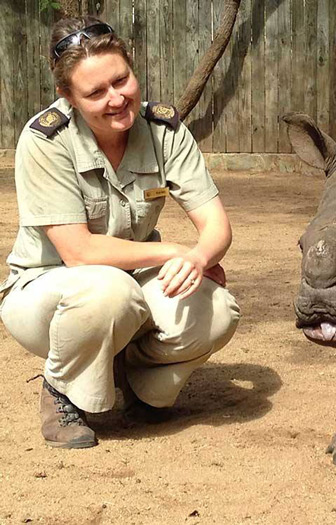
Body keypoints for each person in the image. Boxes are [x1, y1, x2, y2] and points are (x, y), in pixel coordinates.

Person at [0, 16, 241, 449]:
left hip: (133, 280)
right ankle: (61, 390)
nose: (117, 99)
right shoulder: (45, 140)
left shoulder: (165, 129)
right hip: (46, 291)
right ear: (68, 98)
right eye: (95, 92)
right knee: (107, 290)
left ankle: (141, 384)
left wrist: (199, 258)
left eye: (122, 80)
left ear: (133, 69)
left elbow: (216, 225)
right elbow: (78, 251)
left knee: (216, 310)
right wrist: (173, 252)